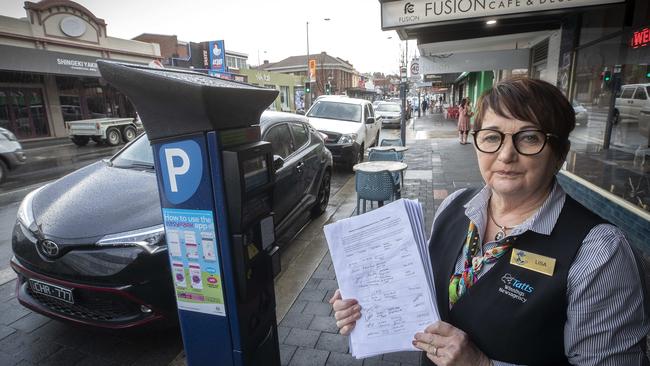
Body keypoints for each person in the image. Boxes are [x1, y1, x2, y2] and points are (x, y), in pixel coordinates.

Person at [330, 77, 649, 365]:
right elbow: (420, 288)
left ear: (560, 153)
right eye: (492, 136)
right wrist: (365, 300)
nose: (506, 154)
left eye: (528, 138)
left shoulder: (600, 254)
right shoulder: (456, 206)